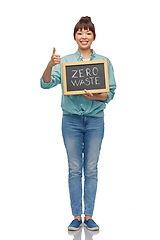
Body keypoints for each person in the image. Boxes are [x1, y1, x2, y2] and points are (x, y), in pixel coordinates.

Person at [40, 16, 116, 231]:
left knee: (91, 169)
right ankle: (76, 216)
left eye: (88, 32)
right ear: (75, 36)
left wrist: (95, 96)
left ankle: (89, 216)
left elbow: (109, 93)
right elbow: (45, 84)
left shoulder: (104, 62)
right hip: (71, 121)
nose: (84, 36)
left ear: (93, 36)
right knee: (74, 169)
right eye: (80, 32)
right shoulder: (64, 62)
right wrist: (49, 64)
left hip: (95, 121)